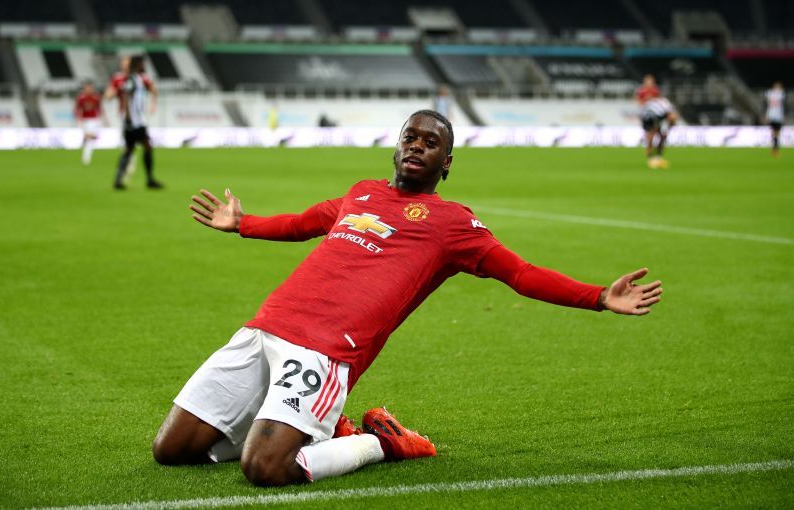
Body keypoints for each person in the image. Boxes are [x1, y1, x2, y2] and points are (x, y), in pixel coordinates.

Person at [152, 110, 663, 487]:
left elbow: (521, 274)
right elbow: (301, 223)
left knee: (266, 469)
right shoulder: (361, 193)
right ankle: (318, 428)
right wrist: (243, 224)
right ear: (396, 148)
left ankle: (380, 441)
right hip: (265, 327)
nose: (417, 147)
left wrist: (597, 296)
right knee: (171, 451)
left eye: (431, 143)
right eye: (410, 138)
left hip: (326, 351)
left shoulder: (454, 225)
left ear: (447, 163)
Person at [114, 55, 162, 190]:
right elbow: (126, 97)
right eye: (141, 63)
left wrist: (153, 103)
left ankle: (119, 180)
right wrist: (128, 117)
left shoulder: (139, 79)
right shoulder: (131, 79)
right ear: (137, 65)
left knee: (130, 149)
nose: (143, 66)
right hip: (134, 122)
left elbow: (152, 90)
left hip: (137, 120)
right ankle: (149, 179)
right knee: (145, 147)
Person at [640, 97, 677, 169]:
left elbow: (670, 120)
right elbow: (671, 119)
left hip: (651, 115)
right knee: (651, 135)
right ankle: (651, 157)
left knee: (661, 136)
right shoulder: (666, 111)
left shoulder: (666, 108)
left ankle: (656, 157)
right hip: (649, 116)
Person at [74, 81, 103, 166]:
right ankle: (86, 158)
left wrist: (101, 120)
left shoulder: (96, 98)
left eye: (90, 88)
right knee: (89, 138)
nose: (89, 89)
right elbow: (77, 109)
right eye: (87, 88)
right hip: (85, 120)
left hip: (95, 120)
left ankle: (85, 150)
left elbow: (99, 109)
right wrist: (78, 119)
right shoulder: (81, 98)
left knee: (92, 138)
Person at [764, 81, 786, 157]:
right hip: (772, 116)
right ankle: (774, 149)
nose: (778, 88)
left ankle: (775, 149)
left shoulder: (771, 93)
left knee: (776, 134)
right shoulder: (778, 93)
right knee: (774, 133)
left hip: (778, 116)